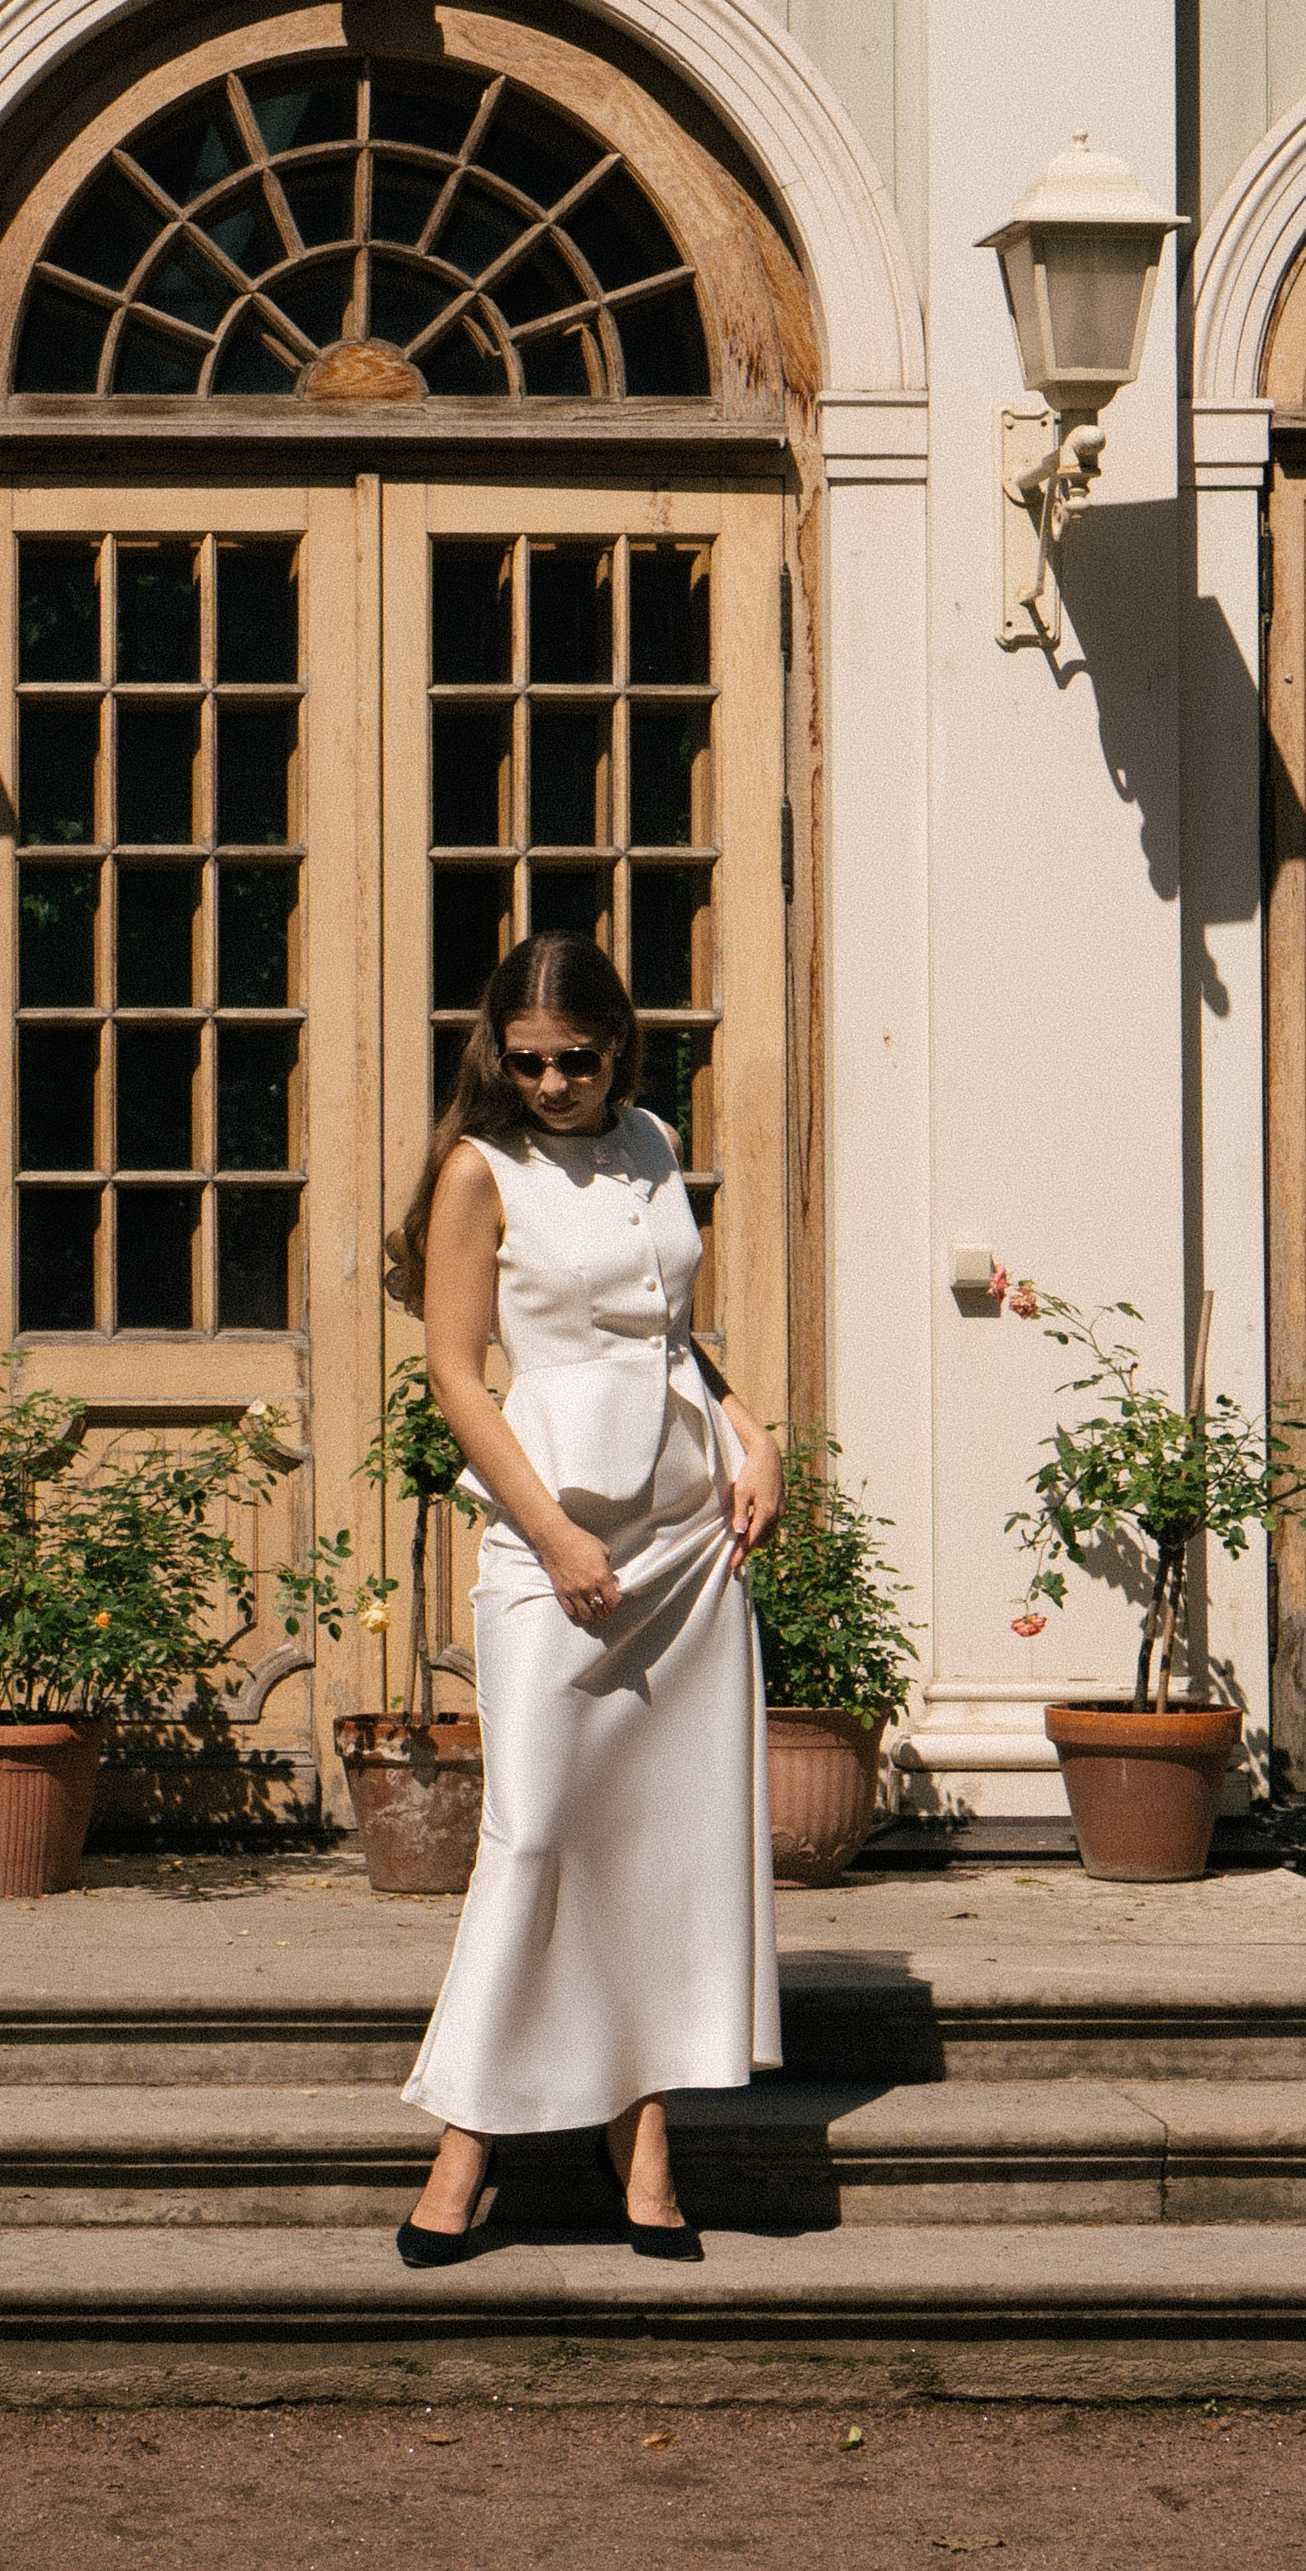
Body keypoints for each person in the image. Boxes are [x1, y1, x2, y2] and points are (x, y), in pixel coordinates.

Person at [390, 931, 784, 2265]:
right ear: (497, 1058)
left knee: (661, 1847)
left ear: (622, 1047)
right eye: (529, 1062)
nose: (553, 1083)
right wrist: (547, 1530)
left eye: (577, 1059)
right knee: (537, 1829)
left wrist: (754, 1430)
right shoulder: (476, 1171)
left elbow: (670, 1336)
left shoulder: (656, 1143)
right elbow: (455, 1373)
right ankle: (467, 2140)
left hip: (684, 1536)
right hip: (553, 1537)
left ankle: (648, 2138)